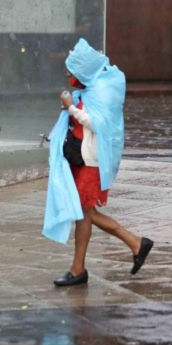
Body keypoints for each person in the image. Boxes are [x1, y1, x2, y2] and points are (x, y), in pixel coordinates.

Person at [42, 39, 153, 287]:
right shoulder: (90, 89)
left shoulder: (103, 92)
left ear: (83, 71)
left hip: (92, 163)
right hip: (82, 159)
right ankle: (79, 267)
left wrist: (71, 108)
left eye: (71, 71)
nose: (68, 75)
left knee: (84, 213)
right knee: (84, 214)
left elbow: (96, 124)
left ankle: (134, 243)